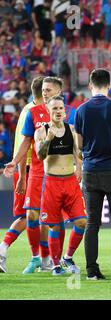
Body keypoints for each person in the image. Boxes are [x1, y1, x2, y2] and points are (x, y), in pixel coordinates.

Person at [74, 69, 111, 281]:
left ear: (90, 85)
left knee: (92, 223)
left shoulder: (81, 110)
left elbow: (79, 144)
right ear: (108, 86)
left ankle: (92, 271)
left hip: (91, 171)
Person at [3, 77, 64, 274]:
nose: (44, 93)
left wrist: (78, 164)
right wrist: (16, 162)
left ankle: (55, 260)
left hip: (58, 172)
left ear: (58, 91)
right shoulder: (31, 112)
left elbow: (75, 140)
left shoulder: (66, 112)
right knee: (30, 214)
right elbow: (25, 141)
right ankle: (37, 257)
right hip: (35, 171)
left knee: (55, 219)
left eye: (48, 89)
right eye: (43, 89)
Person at [34, 96, 87, 276]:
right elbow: (40, 156)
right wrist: (48, 139)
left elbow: (77, 153)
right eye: (54, 108)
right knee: (54, 226)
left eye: (61, 108)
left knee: (81, 221)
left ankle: (68, 257)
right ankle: (56, 265)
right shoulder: (41, 132)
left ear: (65, 111)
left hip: (70, 181)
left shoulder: (71, 130)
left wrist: (79, 168)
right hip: (52, 182)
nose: (58, 111)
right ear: (48, 111)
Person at [0, 76, 44, 273]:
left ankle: (45, 259)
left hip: (33, 171)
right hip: (27, 171)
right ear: (44, 91)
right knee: (28, 215)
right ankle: (3, 249)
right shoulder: (30, 112)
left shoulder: (34, 110)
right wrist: (23, 178)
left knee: (39, 215)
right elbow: (23, 147)